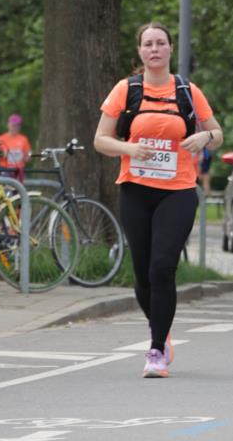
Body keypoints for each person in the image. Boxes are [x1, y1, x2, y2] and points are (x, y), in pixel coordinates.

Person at [94, 22, 223, 377]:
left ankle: (155, 352)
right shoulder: (126, 90)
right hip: (136, 188)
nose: (154, 49)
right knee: (141, 275)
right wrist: (131, 148)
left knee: (162, 267)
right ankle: (161, 333)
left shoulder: (187, 90)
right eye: (148, 44)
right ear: (140, 52)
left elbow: (216, 133)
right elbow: (100, 139)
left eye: (161, 43)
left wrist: (205, 137)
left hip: (178, 190)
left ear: (170, 49)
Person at [0, 114, 32, 182]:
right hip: (5, 170)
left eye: (17, 126)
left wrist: (27, 157)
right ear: (8, 125)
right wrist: (2, 154)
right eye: (13, 125)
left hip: (19, 170)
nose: (15, 128)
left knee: (19, 191)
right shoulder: (1, 139)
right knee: (5, 190)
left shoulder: (23, 139)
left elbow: (28, 156)